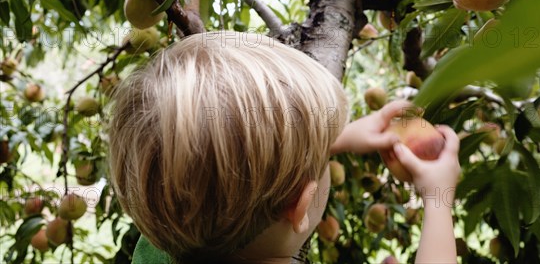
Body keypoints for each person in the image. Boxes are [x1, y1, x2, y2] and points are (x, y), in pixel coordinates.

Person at [108, 31, 460, 264]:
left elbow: (213, 163)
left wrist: (335, 138)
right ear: (300, 206)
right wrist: (438, 198)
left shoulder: (165, 232)